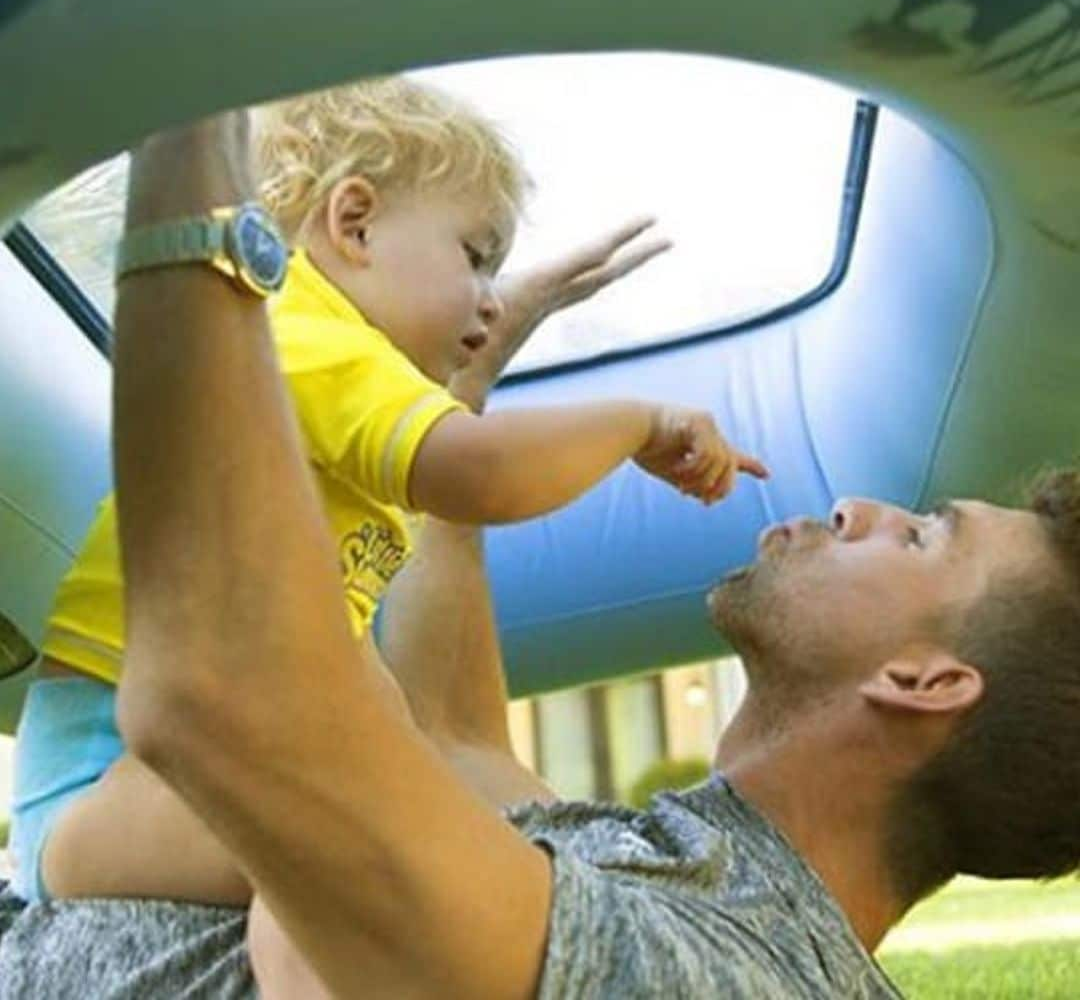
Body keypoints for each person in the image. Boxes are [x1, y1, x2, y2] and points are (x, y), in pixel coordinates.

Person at [1, 111, 1079, 999]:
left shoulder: (709, 975)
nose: (859, 507)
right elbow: (456, 738)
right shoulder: (685, 864)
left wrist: (197, 169)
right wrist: (450, 396)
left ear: (925, 682)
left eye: (926, 534)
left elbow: (227, 723)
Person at [6, 76, 765, 926]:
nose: (488, 297)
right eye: (475, 255)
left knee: (412, 823)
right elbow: (478, 474)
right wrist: (638, 422)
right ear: (354, 222)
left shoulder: (334, 393)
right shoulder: (301, 337)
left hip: (162, 771)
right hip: (107, 778)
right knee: (386, 857)